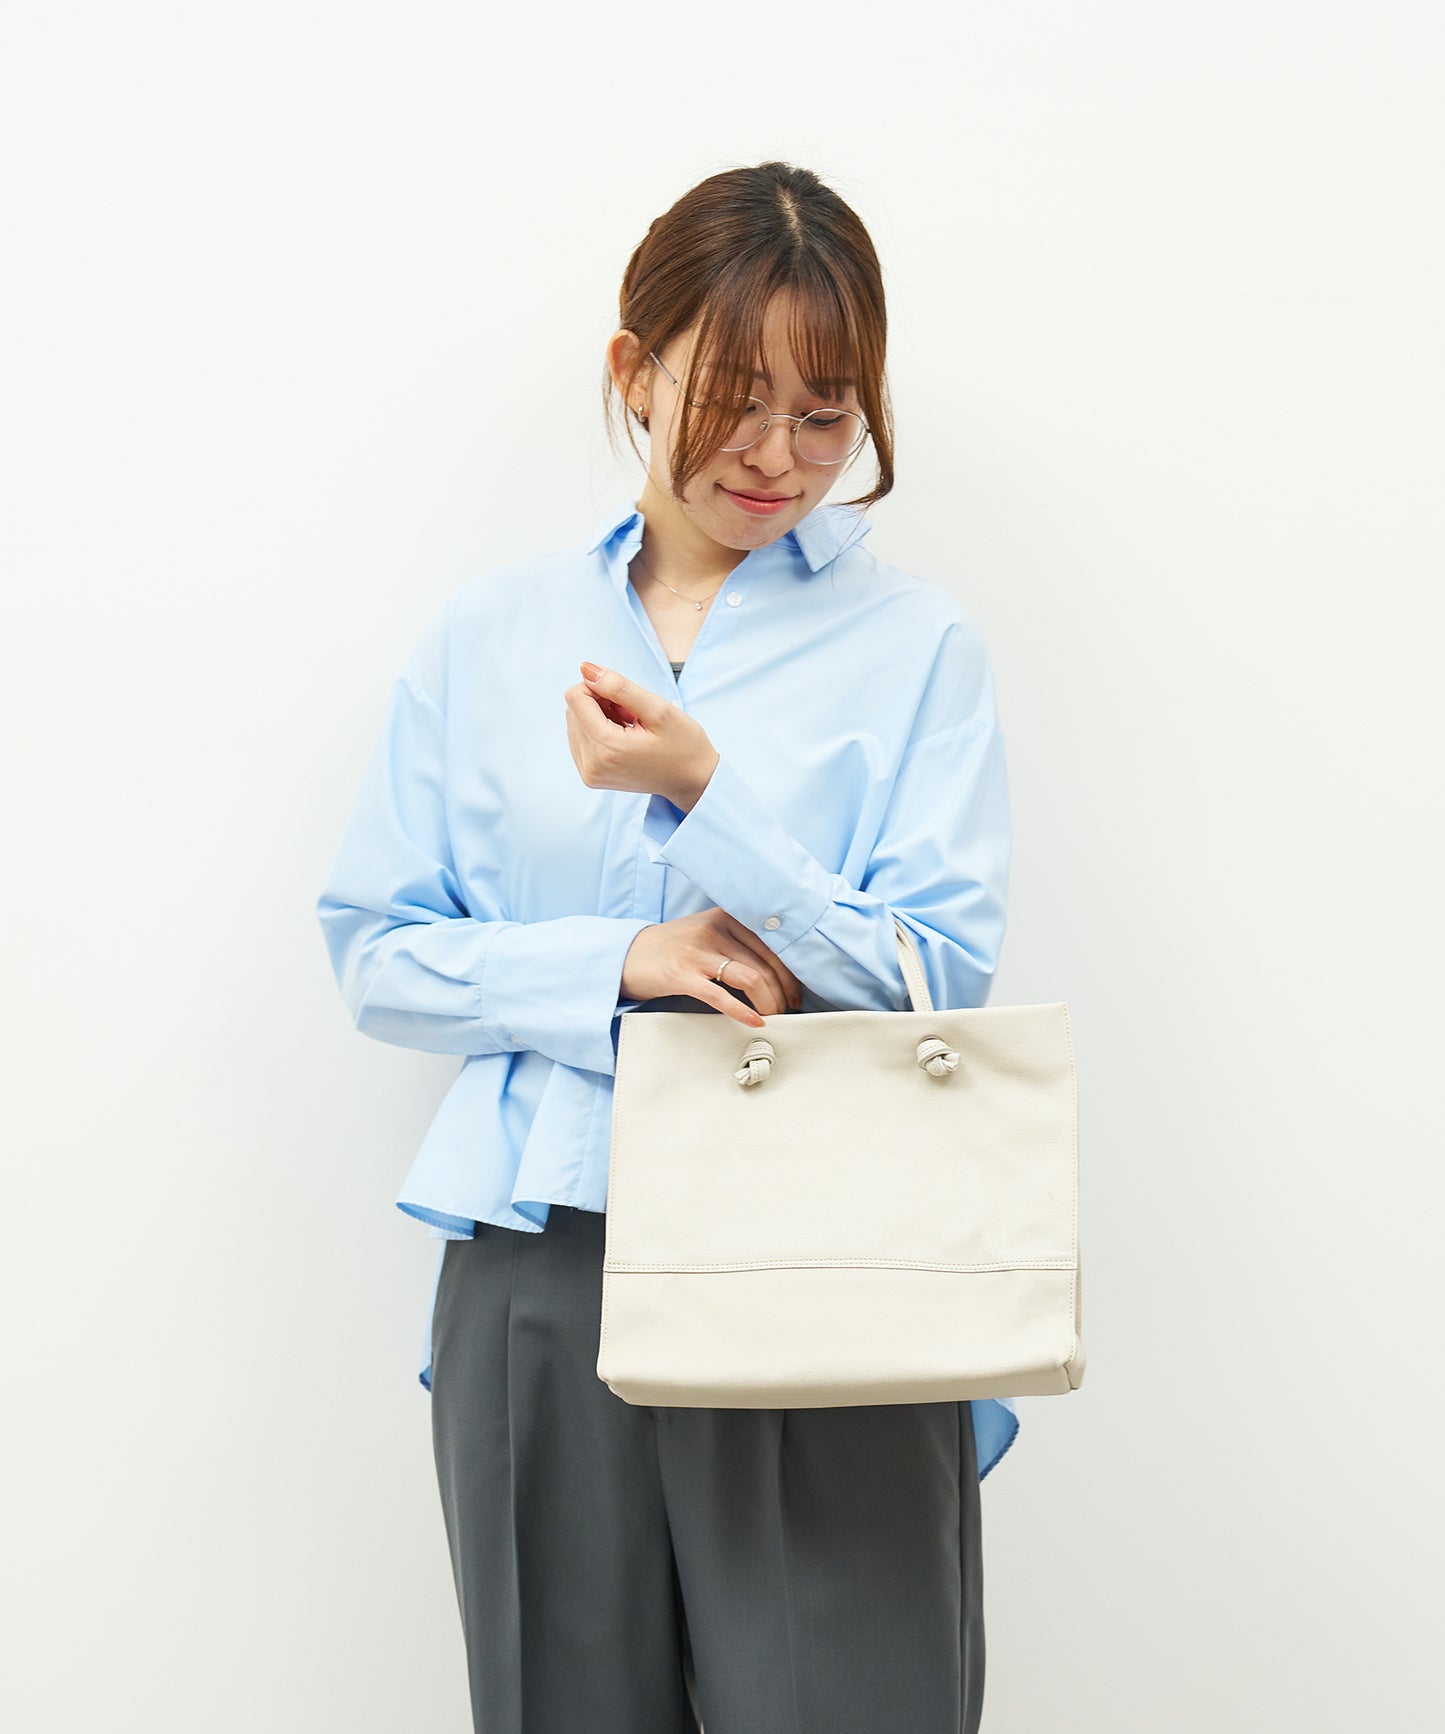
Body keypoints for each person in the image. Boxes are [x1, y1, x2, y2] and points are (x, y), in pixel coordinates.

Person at [316, 159, 1018, 1734]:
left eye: (825, 415)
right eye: (731, 402)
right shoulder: (490, 636)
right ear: (633, 371)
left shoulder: (917, 648)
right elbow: (377, 948)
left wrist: (710, 798)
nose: (777, 456)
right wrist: (611, 966)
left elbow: (934, 983)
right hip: (542, 1262)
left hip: (830, 1266)